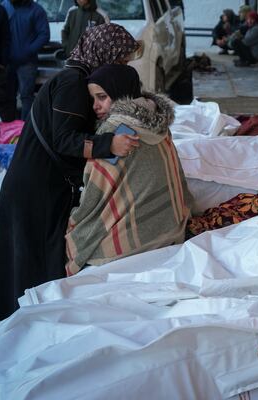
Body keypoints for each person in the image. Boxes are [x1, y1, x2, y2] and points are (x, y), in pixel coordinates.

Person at [0, 23, 141, 321]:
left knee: (32, 259)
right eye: (119, 59)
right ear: (104, 53)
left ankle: (29, 321)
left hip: (39, 181)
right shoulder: (73, 83)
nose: (121, 66)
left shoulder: (78, 77)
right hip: (37, 185)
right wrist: (110, 144)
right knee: (35, 261)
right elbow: (64, 139)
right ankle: (32, 324)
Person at [65, 64, 191, 274]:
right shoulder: (157, 122)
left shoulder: (115, 131)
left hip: (131, 243)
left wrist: (74, 222)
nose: (95, 106)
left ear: (119, 91)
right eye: (93, 99)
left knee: (75, 236)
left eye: (102, 97)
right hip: (169, 226)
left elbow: (93, 197)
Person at [1, 0, 49, 121]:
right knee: (7, 97)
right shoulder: (4, 6)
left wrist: (27, 51)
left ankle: (25, 128)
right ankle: (9, 128)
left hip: (27, 63)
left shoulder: (36, 10)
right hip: (6, 62)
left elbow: (44, 35)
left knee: (26, 96)